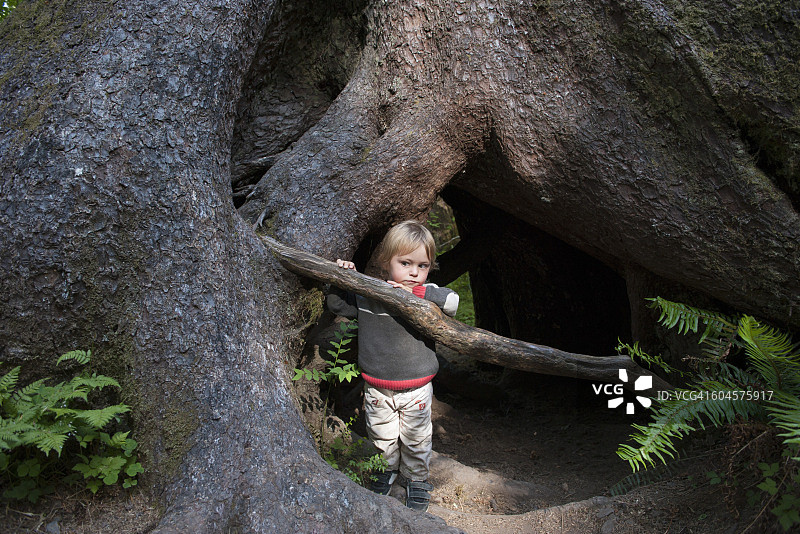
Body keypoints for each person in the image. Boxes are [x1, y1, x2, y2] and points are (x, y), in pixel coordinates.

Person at [327, 220, 459, 512]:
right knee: (381, 435)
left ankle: (417, 479)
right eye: (406, 263)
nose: (414, 272)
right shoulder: (369, 293)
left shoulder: (426, 296)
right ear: (387, 262)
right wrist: (341, 277)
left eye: (422, 266)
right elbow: (338, 306)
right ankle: (385, 470)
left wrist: (420, 295)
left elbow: (453, 300)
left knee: (417, 438)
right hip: (376, 386)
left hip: (417, 387)